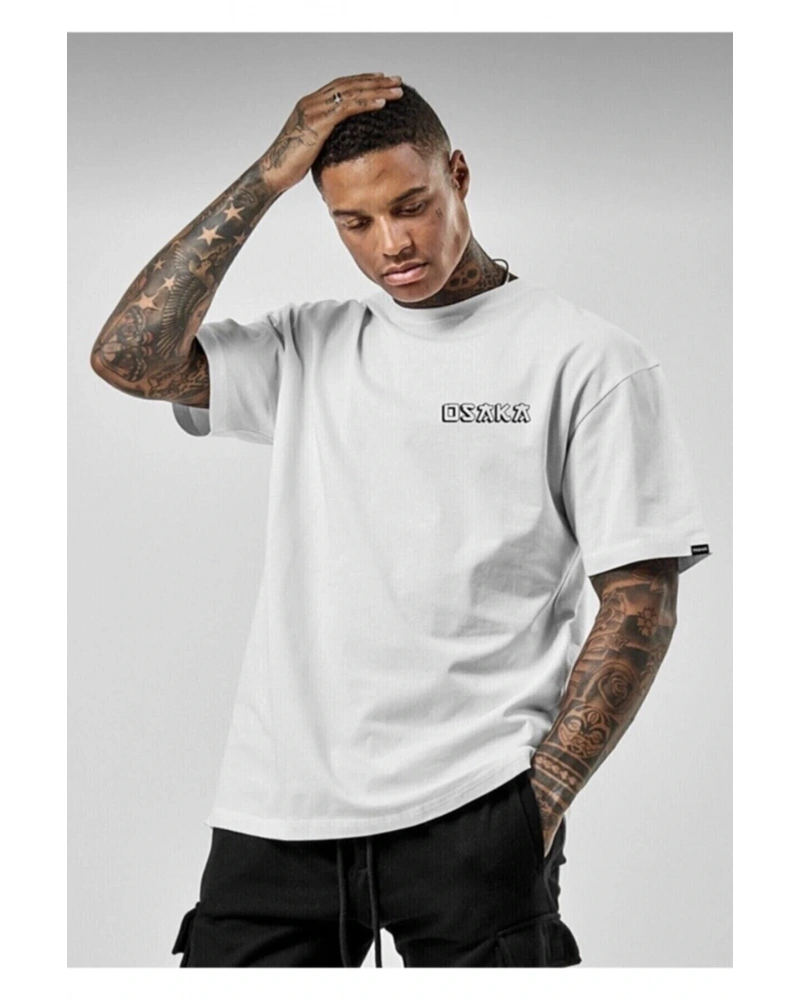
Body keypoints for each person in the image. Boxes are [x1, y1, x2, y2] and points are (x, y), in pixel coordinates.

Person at [90, 73, 713, 968]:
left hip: (479, 804)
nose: (392, 244)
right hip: (281, 811)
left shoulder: (587, 359)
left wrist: (540, 800)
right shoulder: (309, 345)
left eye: (410, 206)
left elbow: (640, 599)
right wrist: (267, 177)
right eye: (355, 222)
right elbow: (129, 357)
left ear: (458, 174)